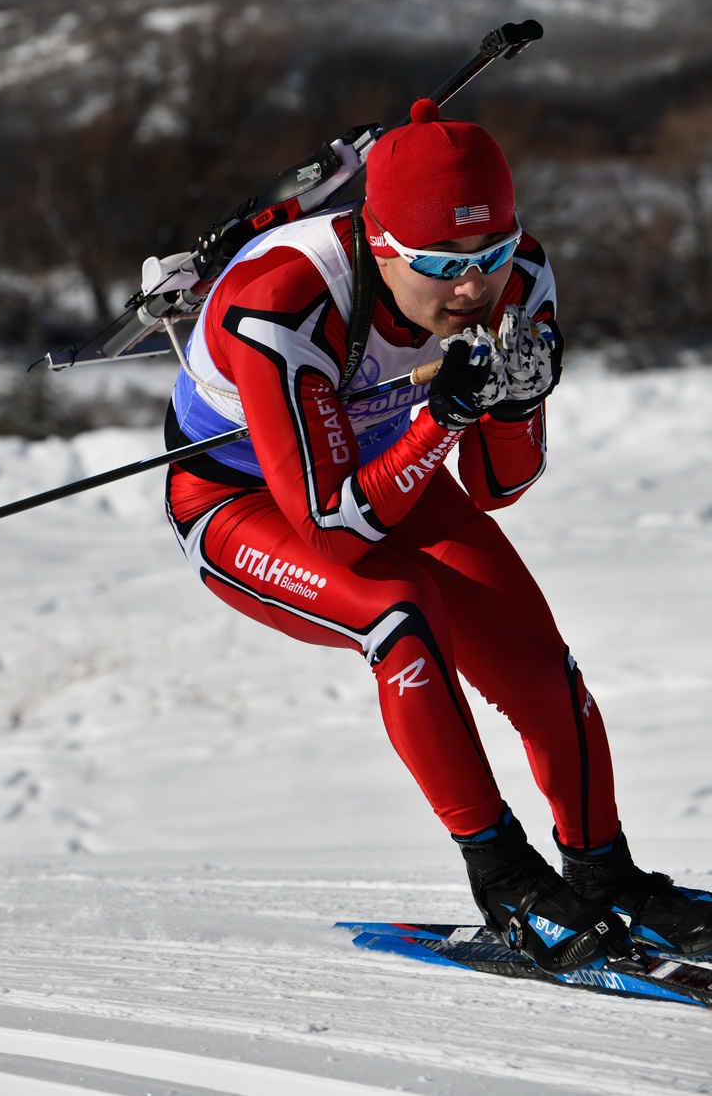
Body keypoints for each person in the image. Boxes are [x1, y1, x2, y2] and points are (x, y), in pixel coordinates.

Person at [165, 97, 712, 973]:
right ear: (380, 244)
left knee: (539, 661)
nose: (472, 287)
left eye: (490, 255)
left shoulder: (518, 278)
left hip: (382, 477)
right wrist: (441, 421)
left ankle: (606, 874)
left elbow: (500, 487)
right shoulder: (286, 303)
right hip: (246, 501)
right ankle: (503, 877)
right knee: (398, 614)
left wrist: (517, 401)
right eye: (441, 263)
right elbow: (336, 530)